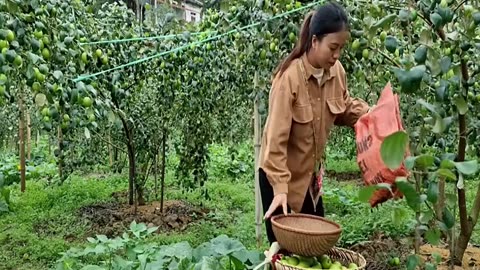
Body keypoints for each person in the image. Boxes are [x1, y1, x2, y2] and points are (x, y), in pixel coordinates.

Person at [258, 1, 373, 245]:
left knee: (313, 247)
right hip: (279, 178)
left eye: (341, 48)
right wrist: (280, 190)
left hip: (310, 179)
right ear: (314, 42)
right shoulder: (288, 79)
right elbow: (274, 144)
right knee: (285, 252)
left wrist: (372, 114)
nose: (337, 55)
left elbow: (342, 107)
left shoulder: (336, 72)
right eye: (332, 47)